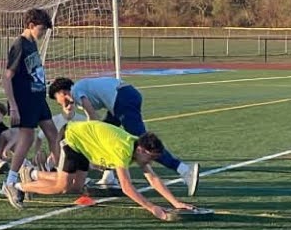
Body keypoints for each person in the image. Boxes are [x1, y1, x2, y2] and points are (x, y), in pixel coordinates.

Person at [15, 120, 195, 220]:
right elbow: (126, 187)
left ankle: (32, 173)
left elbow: (153, 179)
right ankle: (19, 187)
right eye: (151, 157)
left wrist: (176, 203)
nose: (151, 162)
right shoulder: (122, 150)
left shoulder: (137, 148)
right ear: (141, 150)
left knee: (76, 187)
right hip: (72, 138)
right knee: (62, 186)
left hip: (85, 145)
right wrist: (152, 208)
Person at [48, 76, 199, 196]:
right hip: (124, 96)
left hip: (122, 100)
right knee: (108, 139)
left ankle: (184, 170)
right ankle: (109, 176)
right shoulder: (78, 89)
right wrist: (69, 110)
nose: (58, 103)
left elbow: (92, 117)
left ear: (62, 93)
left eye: (57, 99)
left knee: (143, 145)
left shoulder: (76, 91)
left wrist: (91, 140)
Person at [0, 8, 60, 209]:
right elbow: (7, 77)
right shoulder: (20, 45)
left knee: (53, 134)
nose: (43, 33)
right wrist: (14, 107)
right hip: (25, 99)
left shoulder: (33, 43)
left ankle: (62, 173)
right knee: (27, 138)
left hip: (38, 98)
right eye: (41, 29)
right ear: (31, 25)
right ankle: (9, 181)